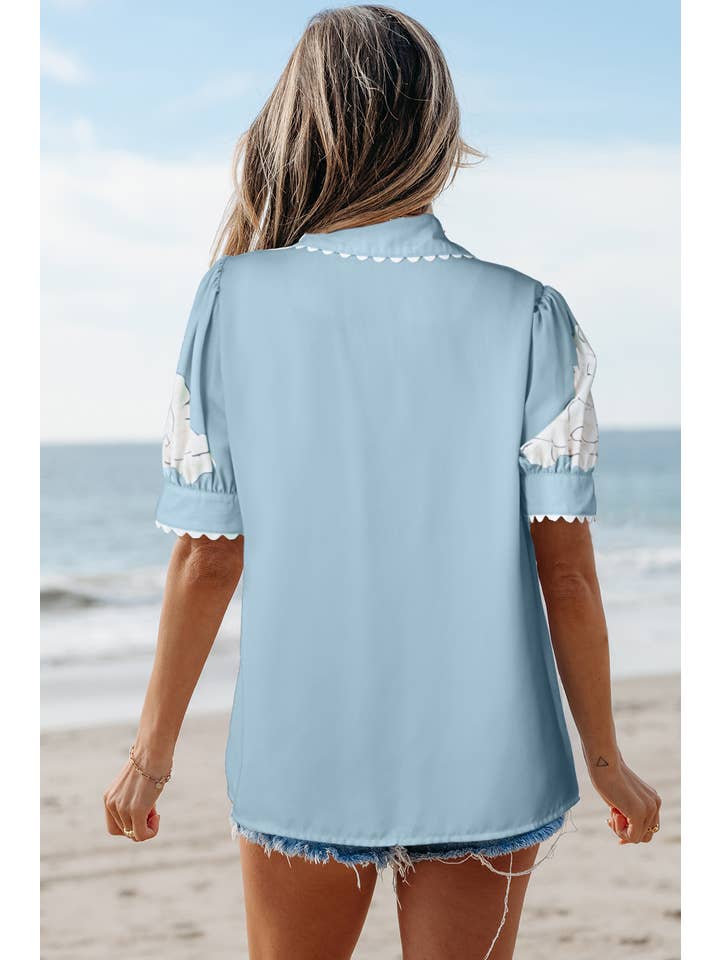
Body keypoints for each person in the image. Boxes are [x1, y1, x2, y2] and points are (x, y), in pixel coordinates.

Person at [103, 6, 661, 958]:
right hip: (492, 759)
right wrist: (606, 761)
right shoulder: (530, 313)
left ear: (300, 125)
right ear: (437, 130)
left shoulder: (231, 299)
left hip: (302, 752)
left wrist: (149, 760)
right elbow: (566, 576)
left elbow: (207, 561)